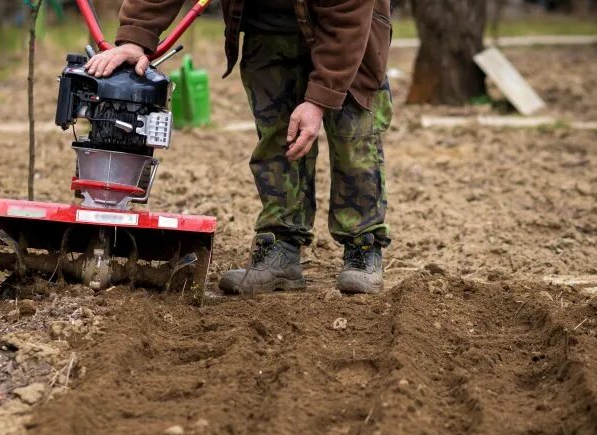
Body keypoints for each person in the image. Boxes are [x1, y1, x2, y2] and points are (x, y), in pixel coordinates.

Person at [86, 0, 393, 295]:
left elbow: (349, 14)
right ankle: (281, 247)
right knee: (278, 137)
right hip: (267, 31)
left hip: (351, 33)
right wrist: (135, 38)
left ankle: (363, 245)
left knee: (354, 139)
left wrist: (318, 100)